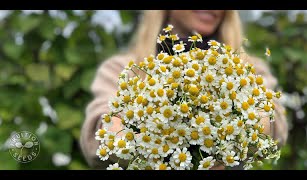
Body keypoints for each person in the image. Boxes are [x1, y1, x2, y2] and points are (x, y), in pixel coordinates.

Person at [80, 10, 288, 169]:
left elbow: (274, 121)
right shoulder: (125, 69)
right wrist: (151, 145)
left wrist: (228, 137)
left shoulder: (247, 68)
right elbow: (100, 129)